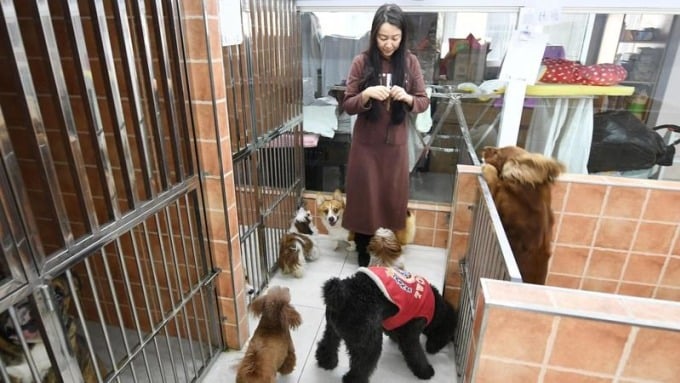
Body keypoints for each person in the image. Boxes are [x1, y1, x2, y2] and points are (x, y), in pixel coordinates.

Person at [341, 3, 430, 266]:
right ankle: (361, 250)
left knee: (392, 198)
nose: (388, 44)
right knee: (364, 198)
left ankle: (387, 251)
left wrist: (407, 97)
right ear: (373, 35)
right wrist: (366, 95)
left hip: (395, 146)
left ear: (402, 36)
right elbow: (347, 104)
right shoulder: (361, 61)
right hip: (366, 145)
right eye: (382, 38)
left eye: (394, 38)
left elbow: (423, 101)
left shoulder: (410, 62)